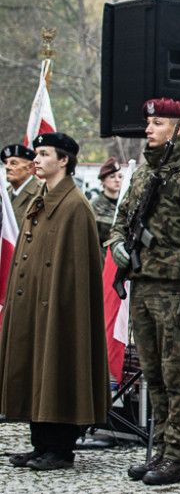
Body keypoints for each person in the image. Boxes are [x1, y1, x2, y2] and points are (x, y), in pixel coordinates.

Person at [109, 98, 180, 486]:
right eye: (149, 122)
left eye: (157, 123)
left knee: (178, 378)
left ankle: (179, 457)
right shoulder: (144, 174)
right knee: (153, 375)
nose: (148, 129)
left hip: (176, 291)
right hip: (144, 287)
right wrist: (117, 245)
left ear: (178, 128)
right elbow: (120, 221)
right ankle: (160, 449)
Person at [0, 132, 111, 470]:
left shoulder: (75, 205)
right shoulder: (41, 200)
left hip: (61, 308)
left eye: (45, 154)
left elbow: (76, 271)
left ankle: (60, 449)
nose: (37, 159)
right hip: (34, 304)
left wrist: (61, 306)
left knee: (59, 367)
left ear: (64, 160)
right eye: (36, 153)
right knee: (36, 367)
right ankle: (41, 443)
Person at [89, 156, 122, 263]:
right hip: (102, 260)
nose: (117, 180)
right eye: (112, 177)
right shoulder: (94, 205)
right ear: (103, 181)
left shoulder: (126, 203)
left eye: (120, 176)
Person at [3, 143, 45, 226]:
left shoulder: (41, 193)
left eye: (13, 163)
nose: (7, 167)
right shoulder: (6, 193)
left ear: (29, 167)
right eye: (6, 163)